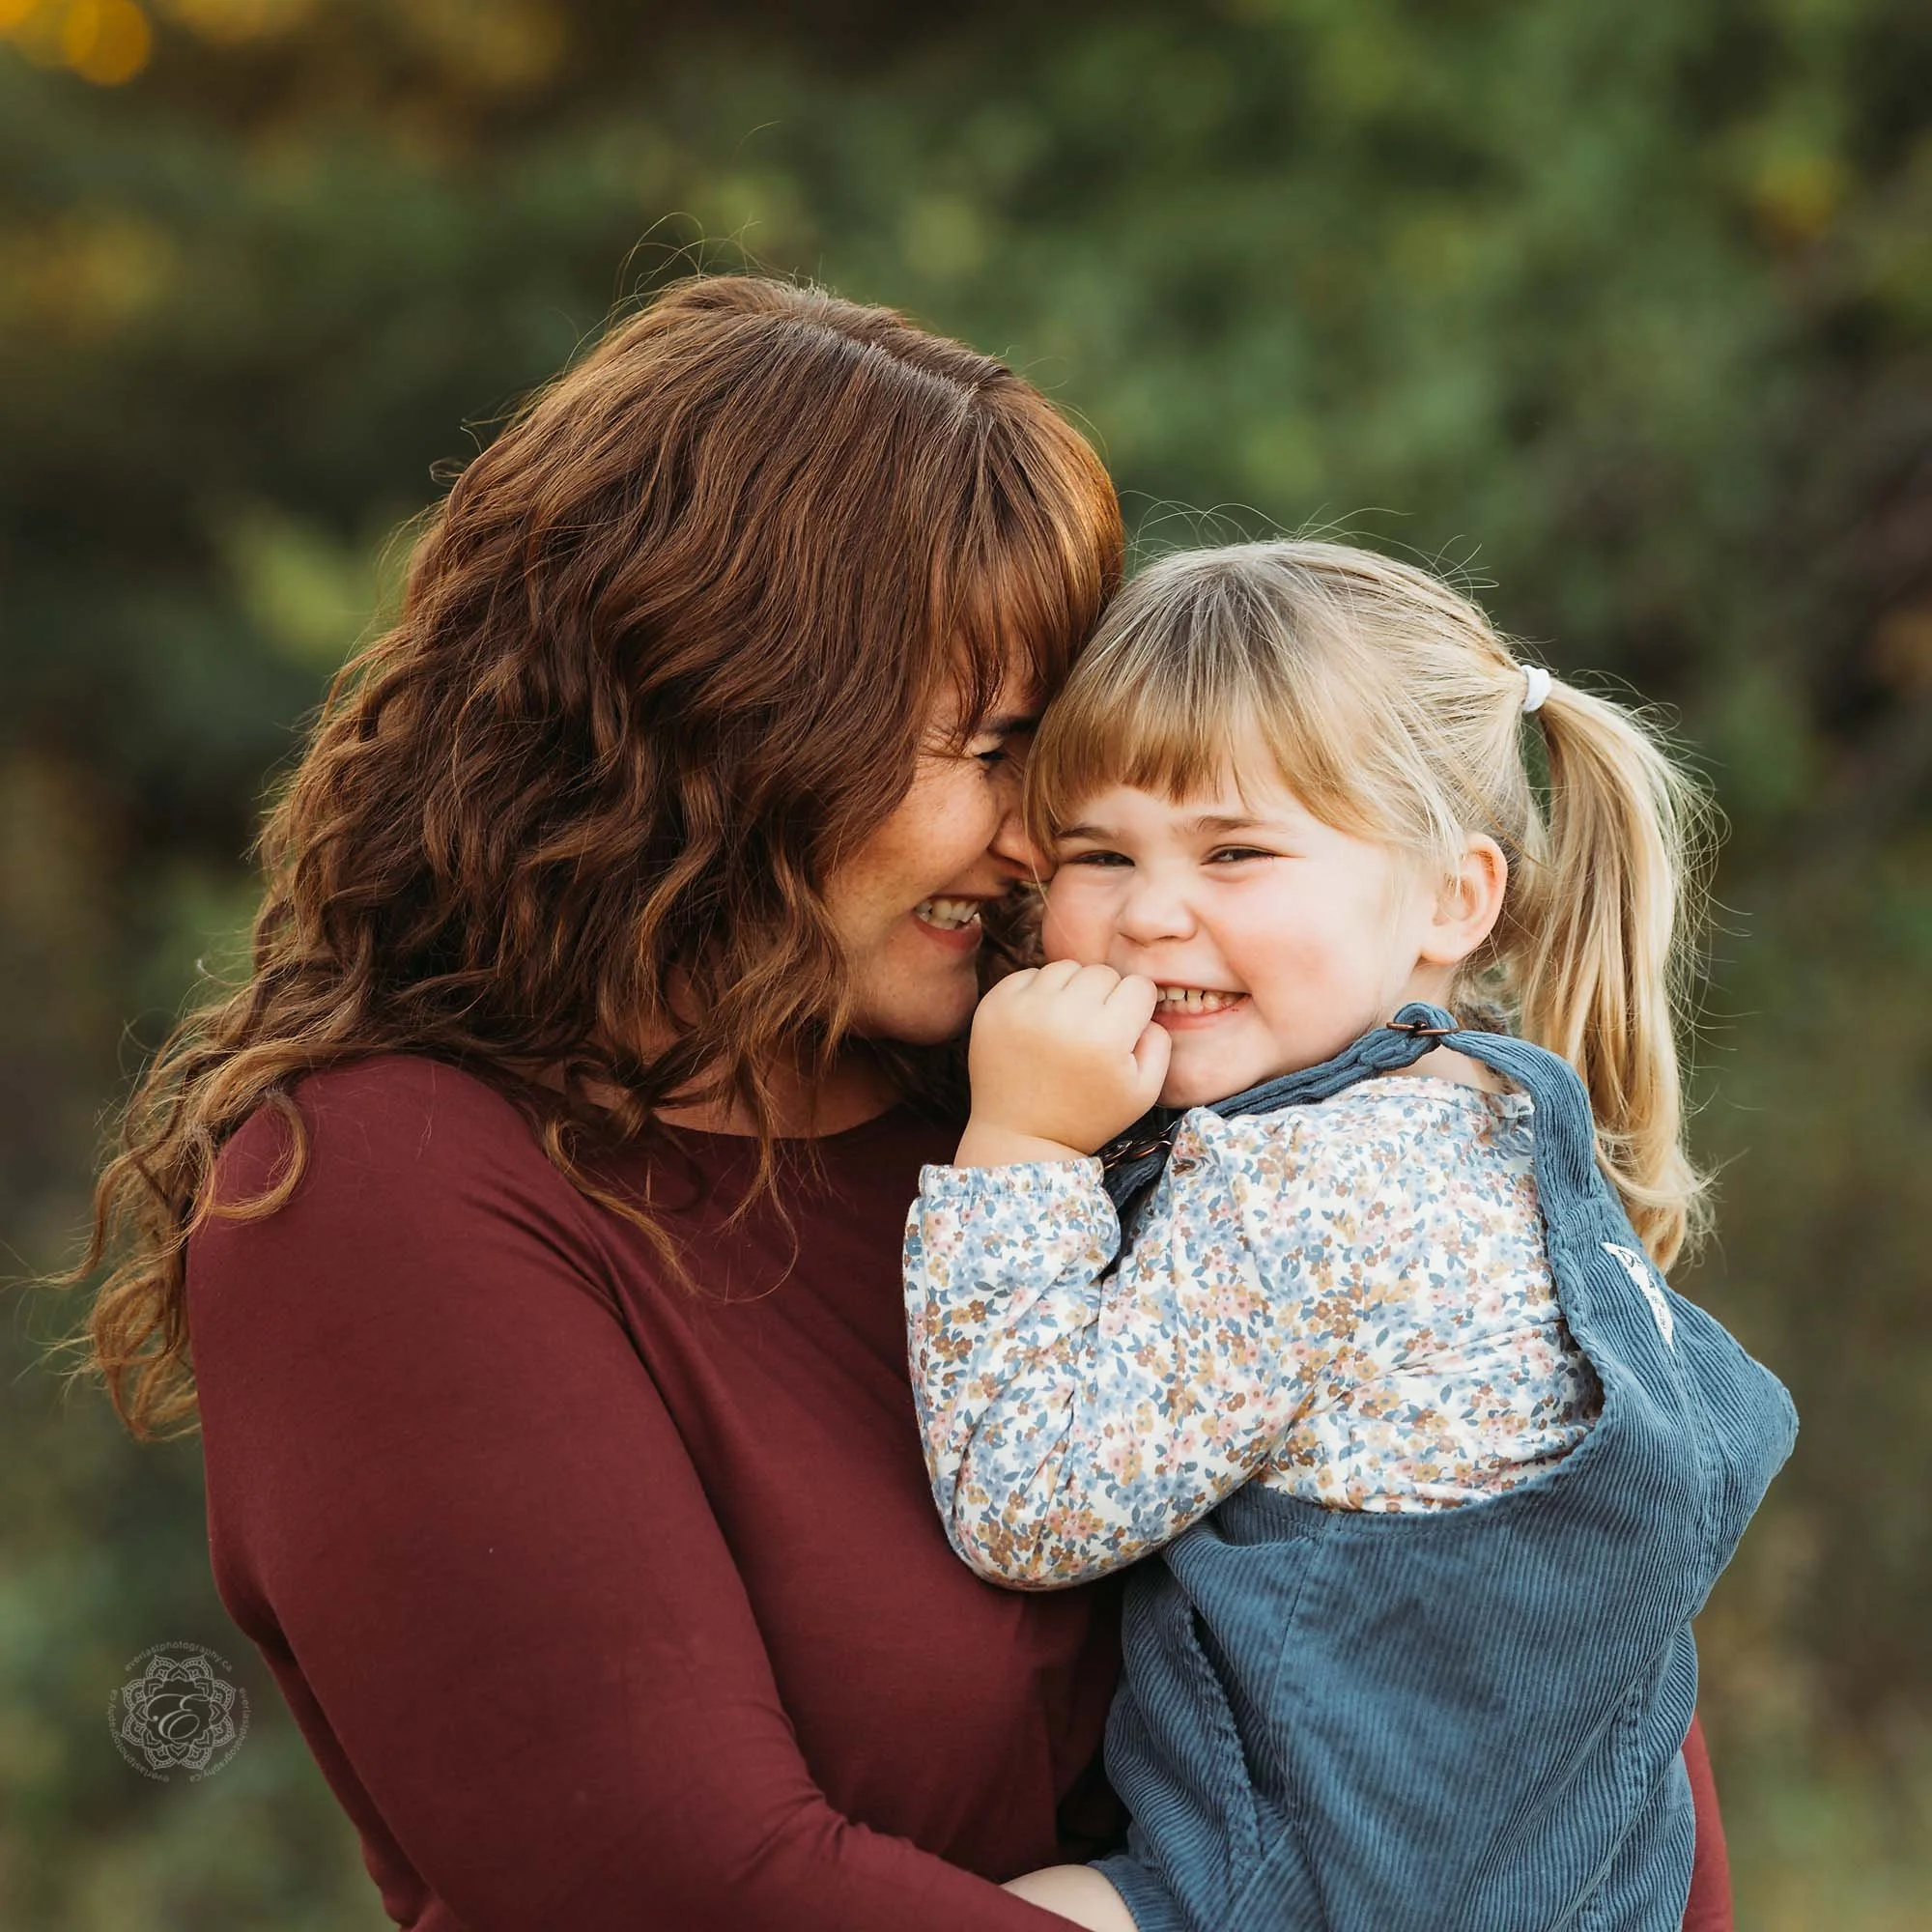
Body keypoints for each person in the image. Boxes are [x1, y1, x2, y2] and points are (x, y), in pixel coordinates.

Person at [74, 278, 1737, 1929]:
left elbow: (1559, 1681)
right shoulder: (391, 1194)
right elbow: (685, 1888)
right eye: (995, 752)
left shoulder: (1079, 1095)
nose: (1042, 847)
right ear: (728, 721)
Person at [903, 542, 1796, 1930]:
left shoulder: (1309, 1184)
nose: (1149, 913)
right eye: (1097, 853)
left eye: (1237, 851)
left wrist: (1017, 1146)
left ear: (1456, 897)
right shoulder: (1488, 1113)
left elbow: (1031, 1502)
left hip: (1317, 1882)